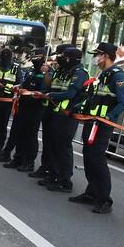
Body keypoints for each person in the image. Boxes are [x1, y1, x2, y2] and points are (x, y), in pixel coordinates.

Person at [69, 42, 124, 214]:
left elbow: (123, 102)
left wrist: (108, 117)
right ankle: (91, 193)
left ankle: (104, 199)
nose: (95, 58)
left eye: (98, 54)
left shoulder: (118, 76)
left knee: (97, 159)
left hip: (103, 125)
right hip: (92, 122)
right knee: (88, 157)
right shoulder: (102, 75)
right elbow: (94, 98)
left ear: (106, 56)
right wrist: (79, 106)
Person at [39, 45, 88, 193]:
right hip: (55, 113)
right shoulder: (62, 71)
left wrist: (51, 96)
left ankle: (65, 180)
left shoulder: (79, 73)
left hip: (68, 115)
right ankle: (54, 174)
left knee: (63, 147)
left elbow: (70, 94)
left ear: (71, 59)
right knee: (53, 145)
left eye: (64, 56)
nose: (60, 58)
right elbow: (52, 87)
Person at [3, 48, 48, 172]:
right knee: (20, 133)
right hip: (23, 105)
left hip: (36, 108)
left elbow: (46, 91)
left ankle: (29, 162)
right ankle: (18, 158)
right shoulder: (31, 71)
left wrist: (33, 92)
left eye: (36, 56)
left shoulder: (47, 73)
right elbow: (24, 84)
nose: (33, 59)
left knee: (30, 136)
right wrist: (19, 87)